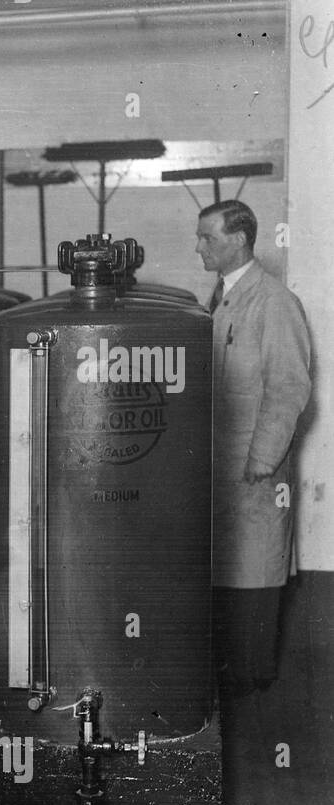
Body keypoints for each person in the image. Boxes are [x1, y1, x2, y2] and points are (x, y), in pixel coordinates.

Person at [194, 199, 311, 695]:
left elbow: (288, 388)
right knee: (227, 570)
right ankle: (232, 676)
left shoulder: (274, 302)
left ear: (238, 240)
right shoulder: (220, 297)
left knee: (255, 575)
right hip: (219, 466)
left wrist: (262, 462)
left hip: (253, 468)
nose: (199, 246)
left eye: (208, 238)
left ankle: (253, 687)